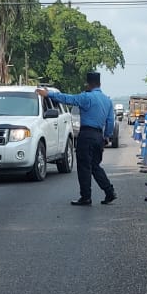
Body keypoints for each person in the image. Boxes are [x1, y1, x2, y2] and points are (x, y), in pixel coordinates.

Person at [40, 72, 116, 206]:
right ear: (99, 84)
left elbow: (67, 99)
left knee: (84, 167)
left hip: (86, 135)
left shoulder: (86, 97)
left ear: (89, 84)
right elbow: (110, 121)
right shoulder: (107, 100)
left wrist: (49, 94)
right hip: (98, 135)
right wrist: (106, 137)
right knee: (95, 166)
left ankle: (86, 197)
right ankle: (109, 191)